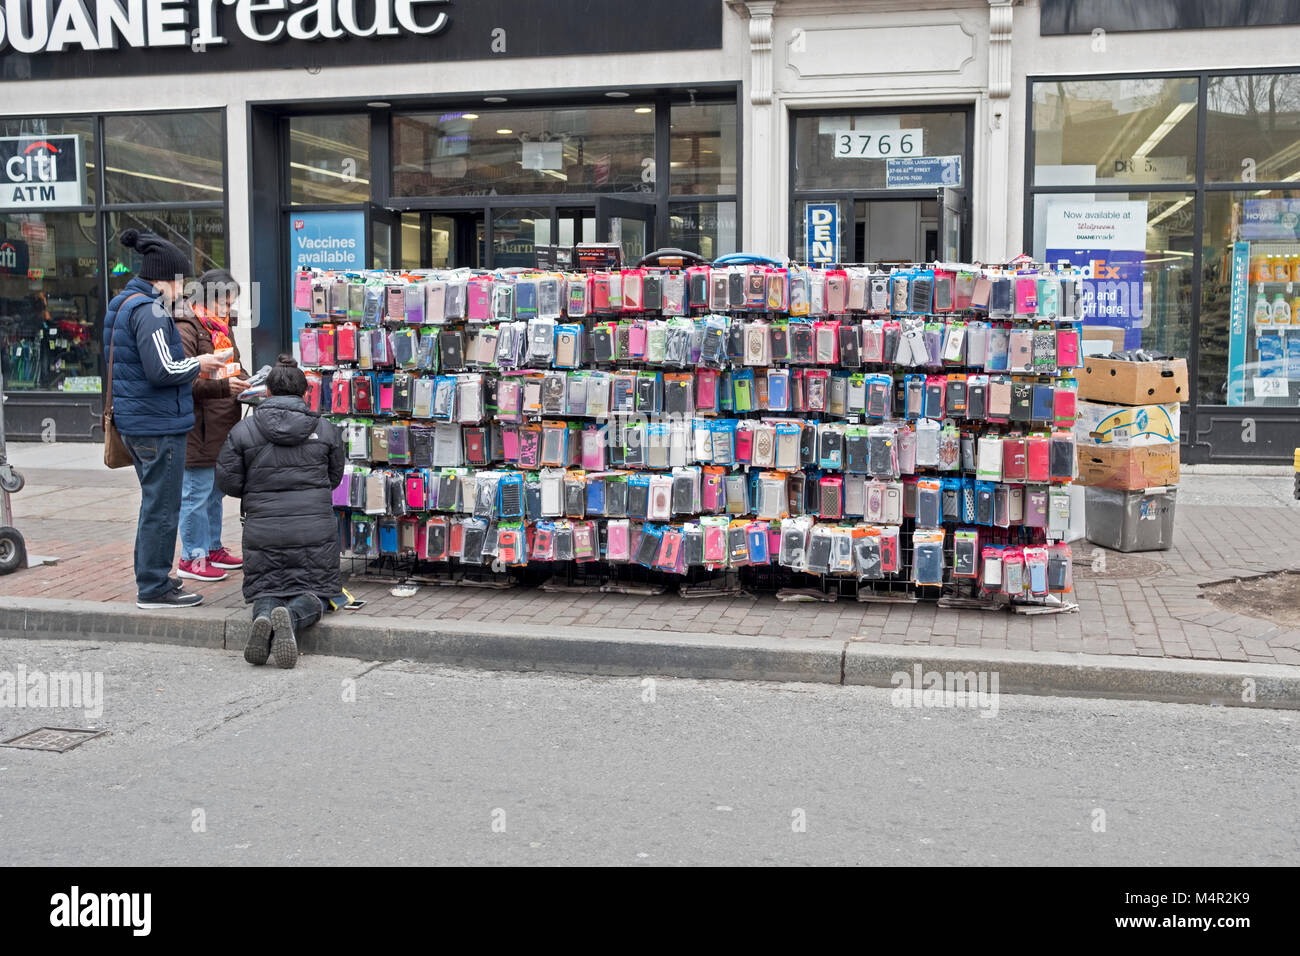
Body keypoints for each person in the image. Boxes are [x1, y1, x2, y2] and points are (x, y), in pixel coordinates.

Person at [104, 229, 225, 609]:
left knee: (155, 504)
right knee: (161, 508)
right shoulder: (150, 310)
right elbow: (163, 369)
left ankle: (155, 579)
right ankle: (154, 586)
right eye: (181, 281)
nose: (184, 289)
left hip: (140, 420)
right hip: (156, 424)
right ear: (166, 279)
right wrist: (200, 364)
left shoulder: (124, 303)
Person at [216, 356, 344, 668]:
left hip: (264, 531)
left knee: (268, 589)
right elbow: (334, 478)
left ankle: (265, 617)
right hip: (315, 532)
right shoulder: (326, 430)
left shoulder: (244, 431)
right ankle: (291, 617)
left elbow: (228, 482)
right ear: (306, 393)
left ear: (268, 392)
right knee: (318, 593)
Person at [175, 269, 249, 582]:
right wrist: (226, 388)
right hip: (199, 426)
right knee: (196, 493)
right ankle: (192, 555)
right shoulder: (186, 326)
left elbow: (233, 367)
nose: (227, 309)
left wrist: (248, 382)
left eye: (231, 303)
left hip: (222, 424)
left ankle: (212, 547)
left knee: (215, 492)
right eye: (223, 302)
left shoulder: (218, 327)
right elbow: (183, 379)